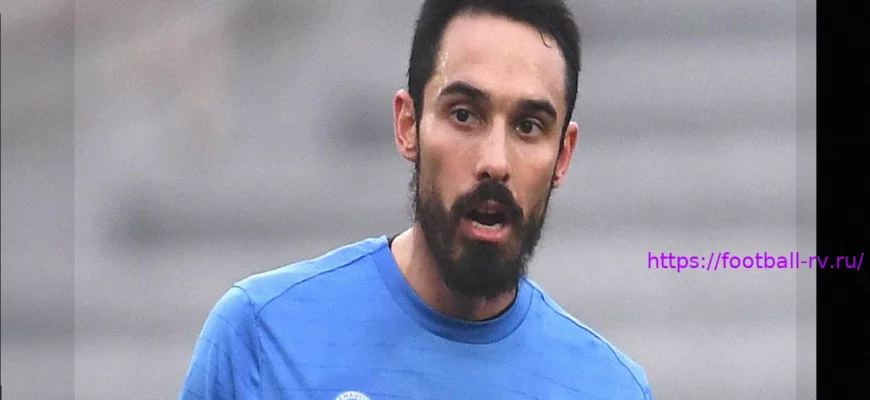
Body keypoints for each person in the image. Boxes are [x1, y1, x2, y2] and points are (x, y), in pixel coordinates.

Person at [179, 0, 653, 398]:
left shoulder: (609, 388)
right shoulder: (261, 337)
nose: (494, 162)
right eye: (464, 115)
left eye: (528, 126)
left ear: (562, 156)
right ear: (408, 125)